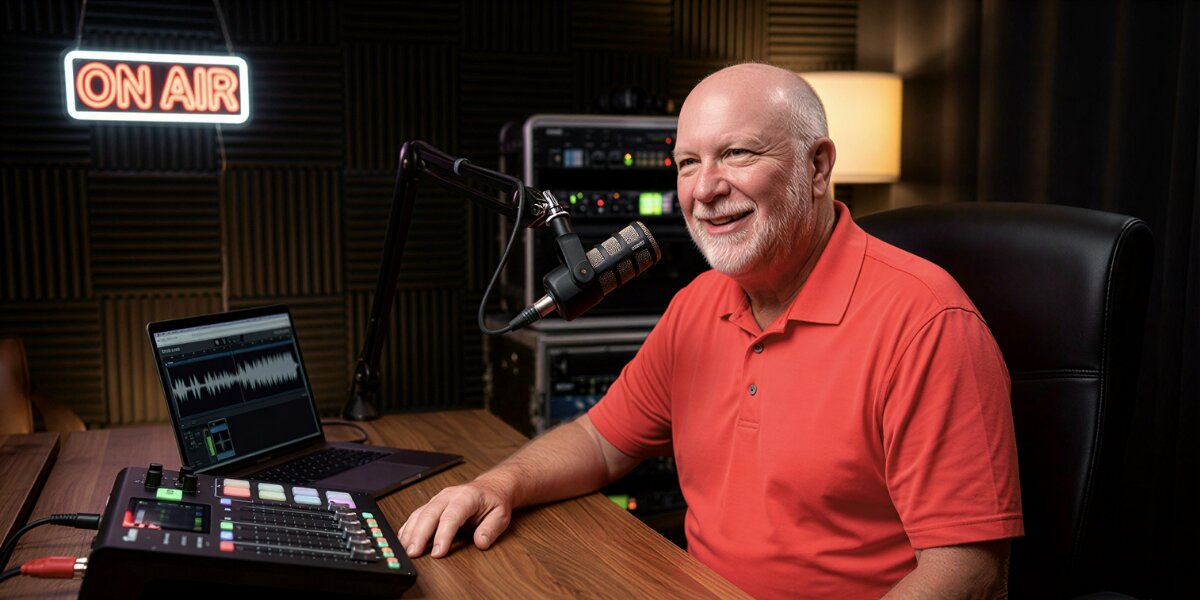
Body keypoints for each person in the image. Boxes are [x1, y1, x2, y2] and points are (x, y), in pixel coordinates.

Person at [398, 63, 1023, 598]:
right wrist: (497, 484)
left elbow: (969, 570)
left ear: (818, 165)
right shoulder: (699, 303)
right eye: (688, 162)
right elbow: (602, 439)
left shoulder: (927, 322)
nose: (705, 189)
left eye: (738, 153)